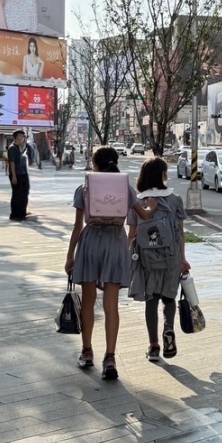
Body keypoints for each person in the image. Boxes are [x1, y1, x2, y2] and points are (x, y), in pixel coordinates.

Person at [65, 145, 146, 381]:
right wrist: (153, 207)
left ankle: (87, 351)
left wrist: (70, 256)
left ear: (95, 165)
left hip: (90, 242)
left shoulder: (84, 188)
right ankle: (110, 358)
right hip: (115, 243)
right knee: (112, 305)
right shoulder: (126, 188)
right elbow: (143, 215)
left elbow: (77, 226)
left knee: (88, 301)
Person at [129, 157, 190, 363]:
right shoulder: (175, 200)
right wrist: (183, 259)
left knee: (151, 300)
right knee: (169, 298)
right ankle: (169, 328)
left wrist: (127, 258)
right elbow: (180, 233)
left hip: (147, 258)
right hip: (171, 257)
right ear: (163, 175)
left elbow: (132, 235)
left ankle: (154, 346)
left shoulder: (138, 201)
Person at [7, 129, 31, 220]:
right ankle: (15, 214)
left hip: (23, 174)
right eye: (21, 136)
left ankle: (22, 212)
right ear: (17, 137)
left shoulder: (19, 147)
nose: (23, 139)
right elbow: (12, 162)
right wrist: (14, 175)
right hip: (17, 174)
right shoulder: (12, 148)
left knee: (24, 193)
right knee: (17, 194)